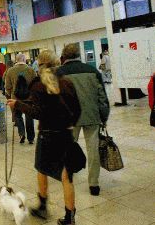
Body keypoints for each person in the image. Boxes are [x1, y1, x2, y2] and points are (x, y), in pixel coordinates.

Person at [7, 50, 81, 225]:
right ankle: (70, 216)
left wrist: (18, 104)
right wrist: (69, 124)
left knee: (41, 170)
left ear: (39, 65)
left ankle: (42, 206)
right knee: (66, 176)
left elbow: (37, 112)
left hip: (47, 136)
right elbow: (77, 109)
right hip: (65, 134)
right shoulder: (67, 83)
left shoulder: (39, 85)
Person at [58, 43, 110, 196]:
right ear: (78, 55)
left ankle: (68, 178)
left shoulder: (59, 73)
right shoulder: (92, 71)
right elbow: (102, 98)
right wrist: (104, 116)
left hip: (69, 119)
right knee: (93, 150)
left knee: (67, 149)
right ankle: (94, 184)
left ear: (64, 57)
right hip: (92, 116)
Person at [5, 54, 37, 144]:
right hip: (29, 98)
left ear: (16, 60)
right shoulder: (31, 70)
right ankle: (31, 138)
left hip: (15, 99)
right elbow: (35, 84)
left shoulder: (10, 71)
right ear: (24, 59)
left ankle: (21, 134)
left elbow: (7, 86)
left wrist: (10, 93)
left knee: (18, 116)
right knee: (29, 116)